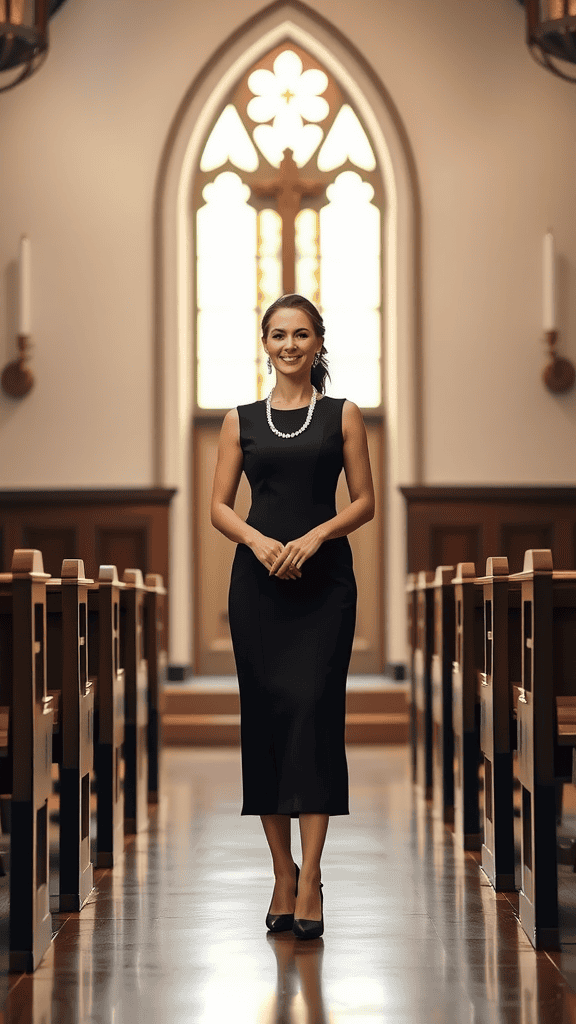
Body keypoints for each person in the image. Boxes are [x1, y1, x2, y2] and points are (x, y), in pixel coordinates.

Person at [210, 293, 375, 939]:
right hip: (258, 588)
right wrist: (258, 541)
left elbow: (363, 502)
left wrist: (316, 537)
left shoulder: (343, 415)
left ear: (318, 343)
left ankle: (313, 879)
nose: (289, 345)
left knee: (314, 716)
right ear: (265, 342)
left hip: (325, 585)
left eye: (301, 334)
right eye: (278, 334)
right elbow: (219, 507)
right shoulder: (240, 420)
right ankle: (282, 870)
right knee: (270, 723)